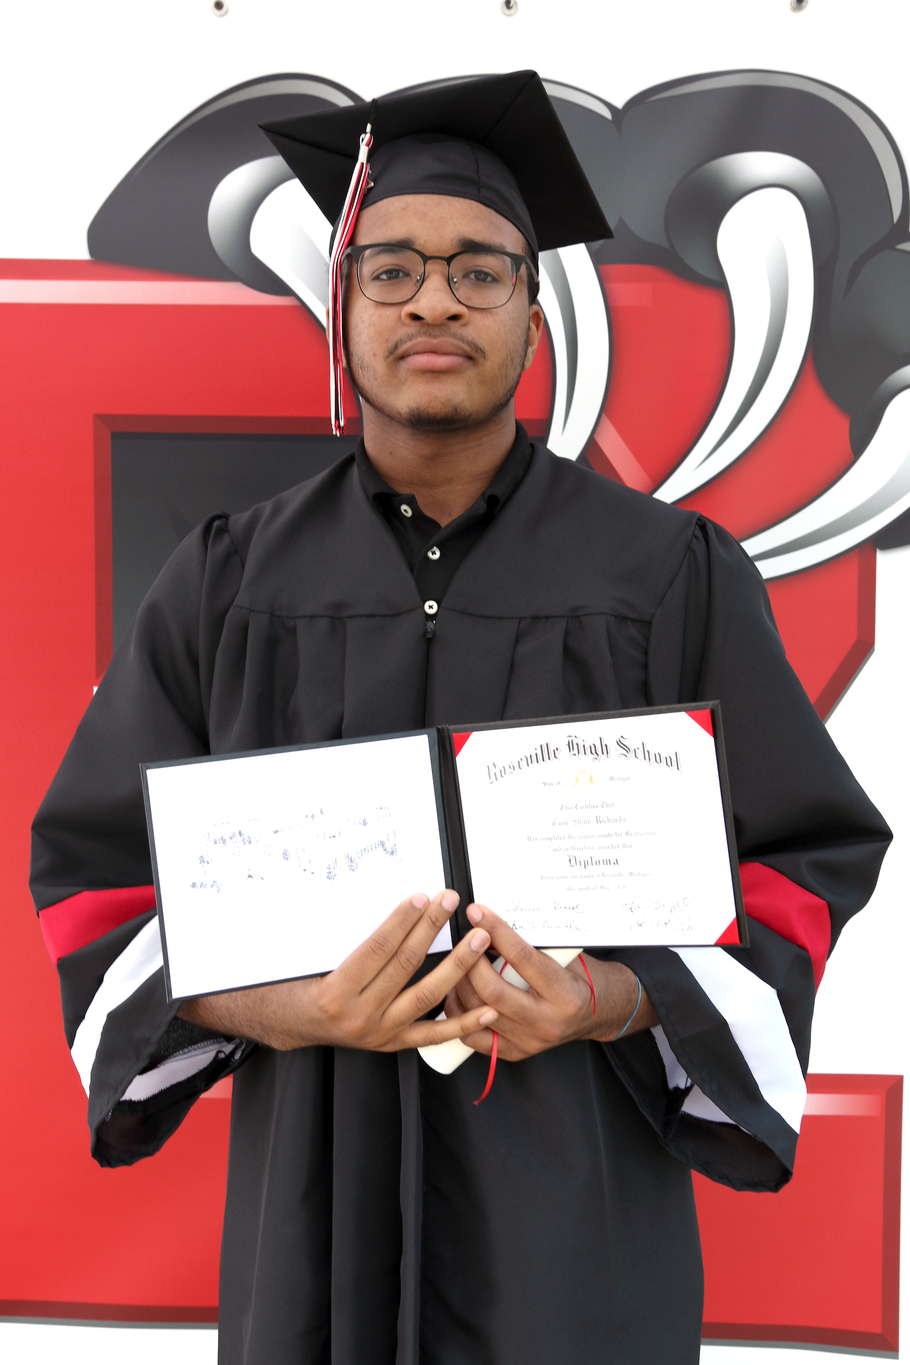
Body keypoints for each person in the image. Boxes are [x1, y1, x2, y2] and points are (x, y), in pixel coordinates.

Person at [31, 71, 890, 1365]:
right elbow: (98, 882)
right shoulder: (228, 582)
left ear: (532, 320)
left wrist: (605, 996)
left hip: (579, 1236)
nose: (433, 299)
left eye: (480, 270)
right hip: (309, 1225)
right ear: (343, 310)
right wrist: (293, 1007)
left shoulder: (667, 575)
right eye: (391, 270)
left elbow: (801, 855)